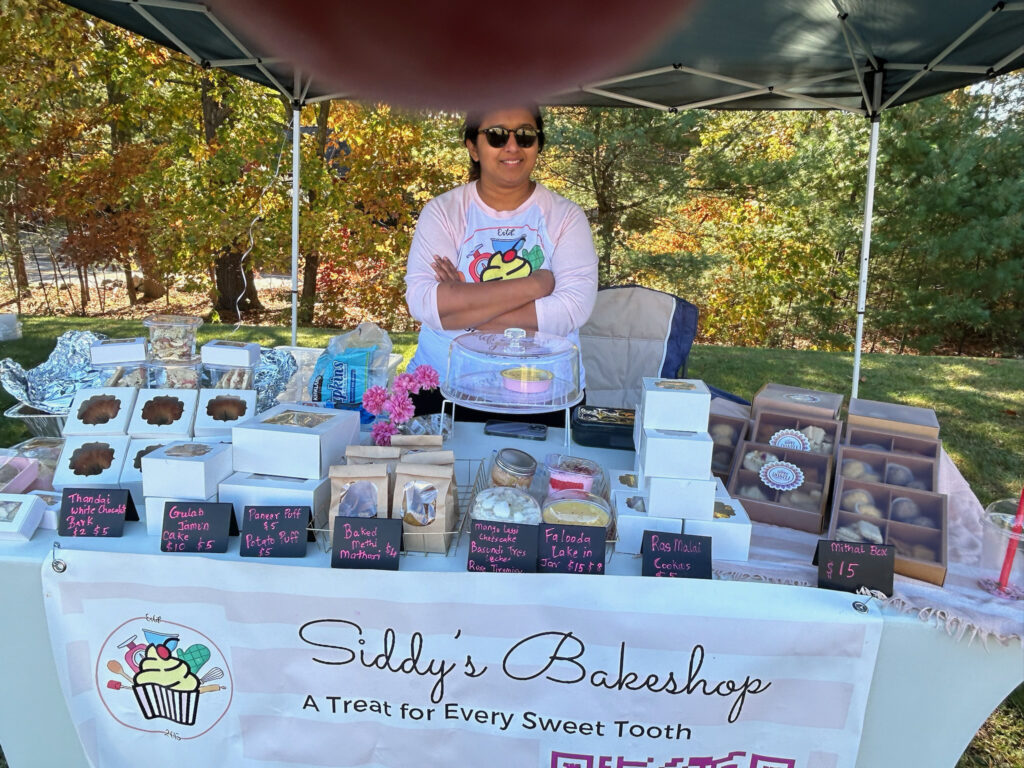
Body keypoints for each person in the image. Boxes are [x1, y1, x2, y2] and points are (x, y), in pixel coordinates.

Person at [404, 106, 599, 423]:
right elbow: (425, 303)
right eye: (496, 135)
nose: (512, 146)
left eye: (525, 136)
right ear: (473, 147)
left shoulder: (566, 216)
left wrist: (463, 303)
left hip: (544, 394)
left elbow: (571, 310)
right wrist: (536, 285)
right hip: (441, 389)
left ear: (538, 145)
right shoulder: (443, 211)